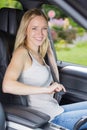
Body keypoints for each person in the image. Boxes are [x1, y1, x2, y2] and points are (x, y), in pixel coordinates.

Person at [2, 8, 87, 130]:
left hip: (56, 109)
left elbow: (55, 78)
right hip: (48, 119)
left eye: (44, 29)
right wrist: (46, 89)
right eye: (34, 28)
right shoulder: (22, 53)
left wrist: (50, 52)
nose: (40, 33)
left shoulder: (38, 53)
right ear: (25, 30)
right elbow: (7, 86)